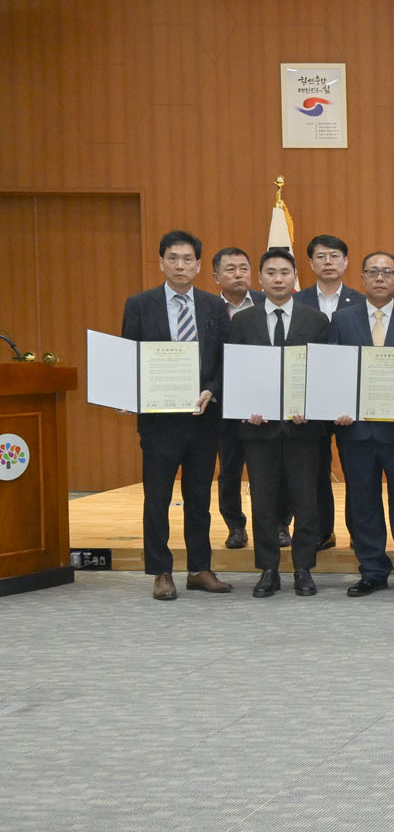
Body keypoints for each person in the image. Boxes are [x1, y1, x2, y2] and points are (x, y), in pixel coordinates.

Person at [122, 230, 232, 600]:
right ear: (161, 263)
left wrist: (212, 389)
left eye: (187, 259)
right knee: (157, 499)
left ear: (199, 266)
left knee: (199, 498)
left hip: (203, 419)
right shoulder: (140, 304)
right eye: (173, 258)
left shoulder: (214, 307)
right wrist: (126, 394)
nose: (180, 265)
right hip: (159, 422)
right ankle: (161, 572)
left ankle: (200, 568)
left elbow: (225, 359)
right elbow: (129, 358)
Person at [226, 247, 331, 597]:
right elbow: (236, 372)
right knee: (264, 501)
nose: (278, 279)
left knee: (306, 500)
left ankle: (303, 568)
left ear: (295, 278)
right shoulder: (243, 321)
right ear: (260, 279)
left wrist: (312, 406)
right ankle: (268, 569)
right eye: (271, 273)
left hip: (304, 428)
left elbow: (324, 373)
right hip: (259, 428)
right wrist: (247, 408)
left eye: (285, 272)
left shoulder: (316, 320)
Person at [331, 251, 394, 597]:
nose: (379, 278)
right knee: (363, 502)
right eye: (372, 271)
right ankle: (372, 569)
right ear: (361, 278)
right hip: (356, 429)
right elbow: (335, 369)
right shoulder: (342, 319)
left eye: (387, 272)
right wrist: (339, 407)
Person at [295, 232, 361, 550]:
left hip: (351, 399)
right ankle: (322, 531)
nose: (328, 262)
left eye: (335, 256)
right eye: (321, 256)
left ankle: (358, 533)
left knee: (356, 470)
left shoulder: (362, 302)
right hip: (312, 399)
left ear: (345, 262)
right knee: (314, 469)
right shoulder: (296, 301)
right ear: (310, 263)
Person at [210, 246, 254, 552]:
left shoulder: (266, 302)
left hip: (264, 400)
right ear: (216, 276)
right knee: (229, 468)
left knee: (272, 468)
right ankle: (235, 525)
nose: (238, 274)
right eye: (230, 269)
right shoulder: (208, 307)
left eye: (243, 268)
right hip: (224, 403)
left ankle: (278, 523)